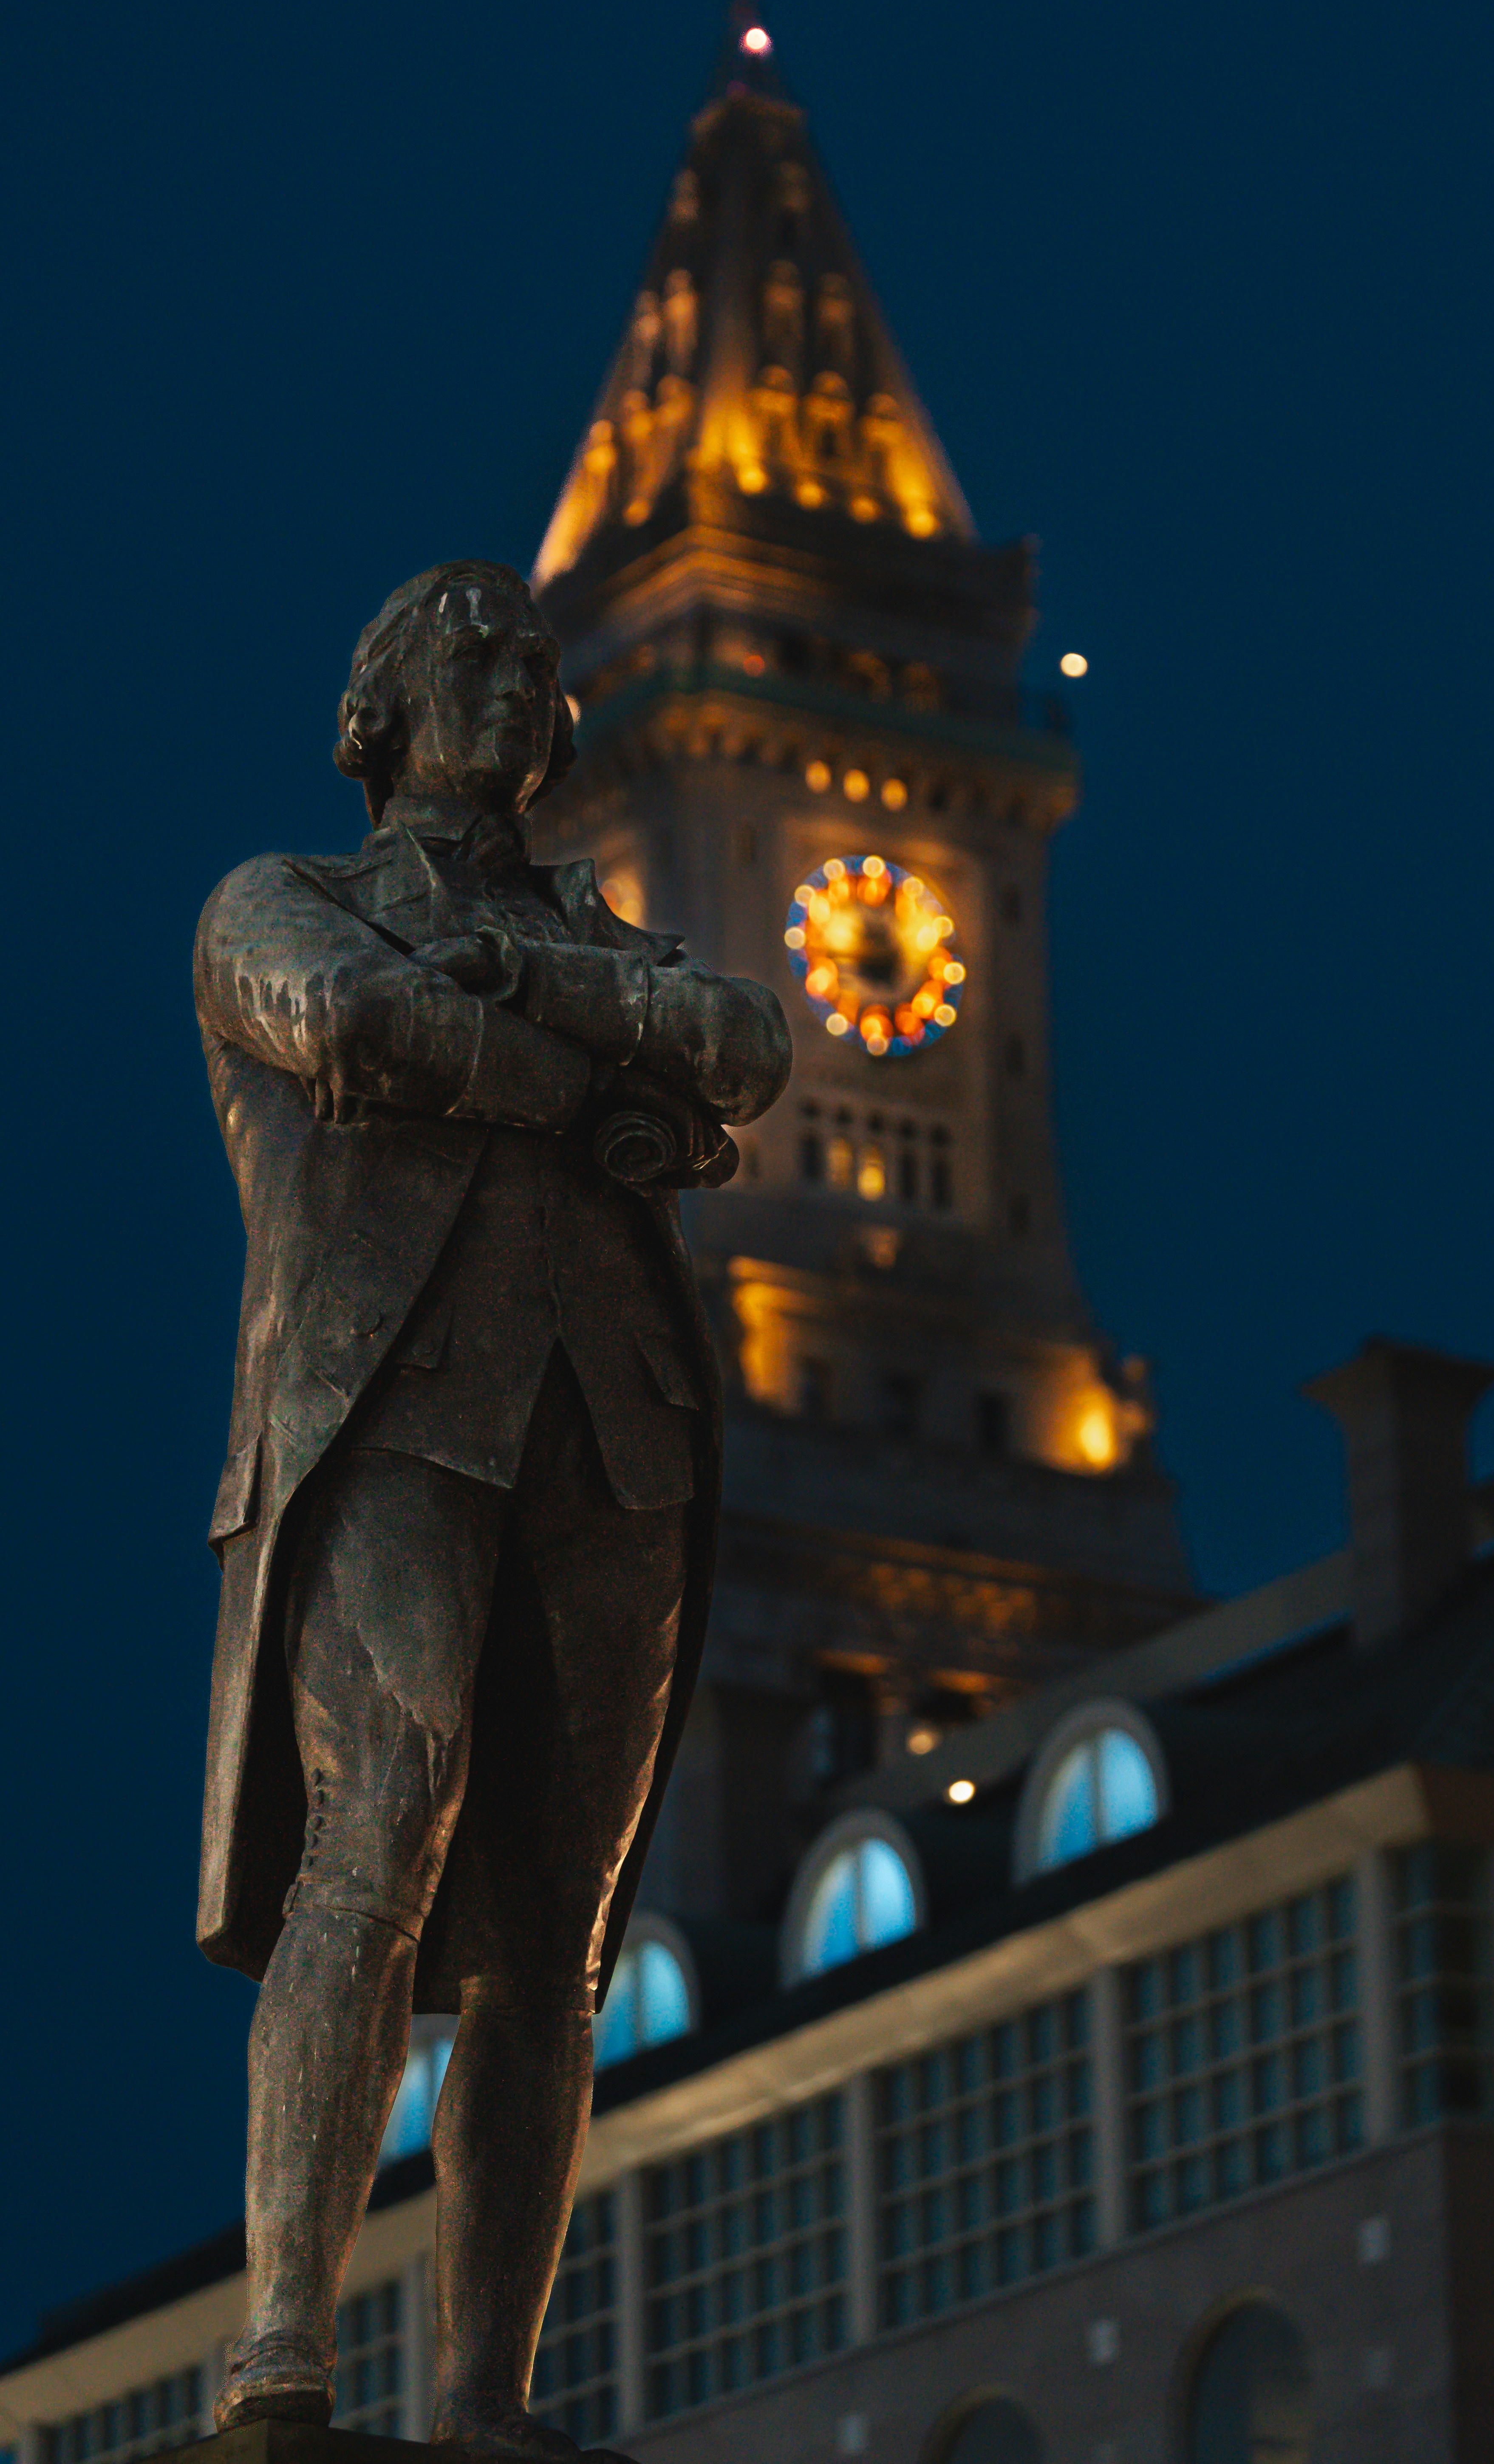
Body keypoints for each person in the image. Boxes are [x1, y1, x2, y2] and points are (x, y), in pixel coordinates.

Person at [192, 560, 789, 2457]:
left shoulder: (615, 953)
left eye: (541, 666)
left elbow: (749, 1044)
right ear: (380, 706)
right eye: (478, 653)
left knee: (560, 1928)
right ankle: (283, 2349)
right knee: (380, 1821)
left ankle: (484, 2399)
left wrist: (556, 991)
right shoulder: (280, 897)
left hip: (613, 1431)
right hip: (390, 1412)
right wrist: (603, 1067)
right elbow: (357, 1026)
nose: (522, 686)